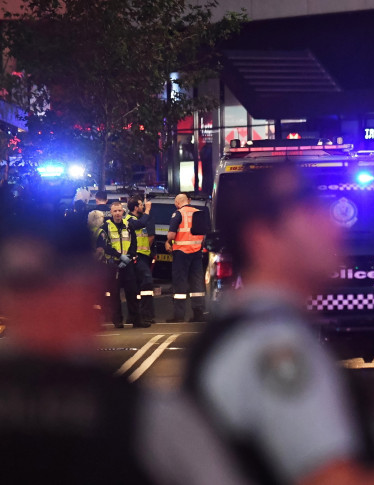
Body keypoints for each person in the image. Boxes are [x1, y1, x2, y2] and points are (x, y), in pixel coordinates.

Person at [184, 165, 374, 485]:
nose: (334, 225)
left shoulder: (248, 331)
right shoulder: (276, 347)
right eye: (308, 209)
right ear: (262, 237)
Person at [0, 200, 250, 485]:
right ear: (93, 289)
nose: (40, 304)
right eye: (27, 286)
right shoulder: (147, 415)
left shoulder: (151, 416)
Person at [97, 202, 151, 328]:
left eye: (119, 211)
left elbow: (134, 243)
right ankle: (118, 321)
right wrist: (119, 256)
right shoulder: (105, 227)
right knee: (114, 294)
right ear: (111, 212)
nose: (117, 213)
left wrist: (129, 257)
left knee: (132, 292)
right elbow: (105, 245)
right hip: (113, 265)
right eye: (115, 211)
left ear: (123, 212)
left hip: (127, 264)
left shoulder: (128, 225)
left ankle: (136, 320)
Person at [166, 193, 206, 323]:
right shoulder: (198, 212)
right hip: (196, 252)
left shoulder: (178, 214)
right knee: (197, 282)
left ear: (177, 203)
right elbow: (204, 234)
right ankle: (198, 314)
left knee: (180, 283)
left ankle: (179, 315)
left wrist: (168, 241)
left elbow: (171, 235)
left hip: (181, 253)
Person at [128, 196, 157, 324]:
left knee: (140, 285)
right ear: (135, 207)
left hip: (144, 256)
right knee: (147, 282)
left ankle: (139, 315)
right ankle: (145, 315)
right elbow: (139, 225)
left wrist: (153, 253)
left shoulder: (142, 219)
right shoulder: (129, 219)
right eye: (140, 205)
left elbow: (149, 235)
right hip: (136, 256)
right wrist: (148, 211)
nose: (143, 207)